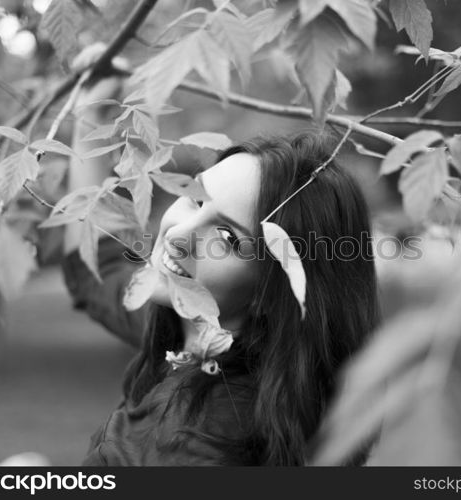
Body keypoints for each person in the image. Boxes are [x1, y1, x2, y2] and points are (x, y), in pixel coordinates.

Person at [61, 79, 380, 466]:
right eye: (195, 199)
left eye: (228, 237)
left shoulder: (200, 436)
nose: (179, 234)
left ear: (272, 290)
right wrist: (90, 113)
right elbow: (98, 271)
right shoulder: (197, 333)